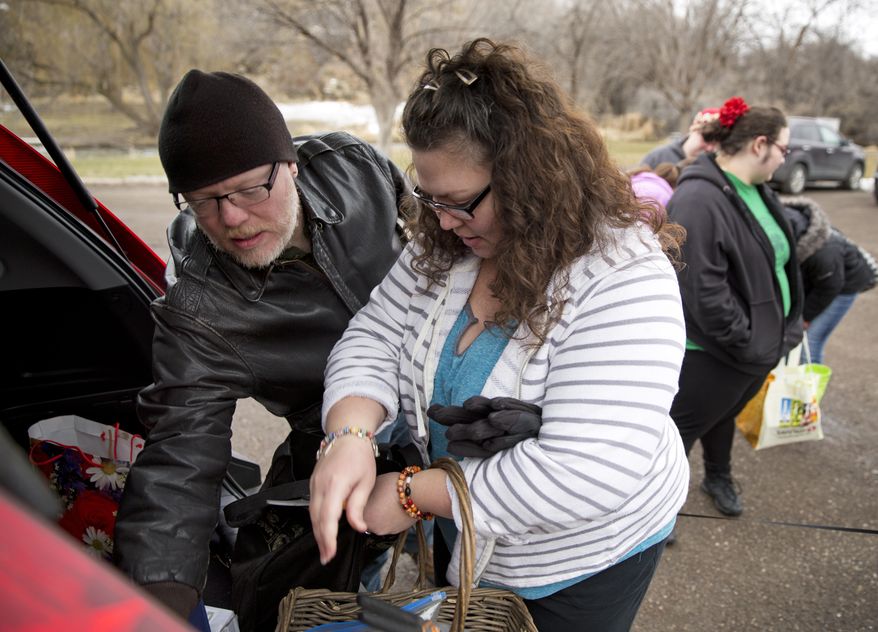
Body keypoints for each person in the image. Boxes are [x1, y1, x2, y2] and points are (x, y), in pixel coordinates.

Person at [309, 39, 689, 632]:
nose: (440, 221)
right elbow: (376, 333)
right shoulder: (450, 243)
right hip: (466, 531)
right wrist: (351, 433)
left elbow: (582, 472)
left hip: (579, 558)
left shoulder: (626, 278)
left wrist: (415, 494)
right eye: (429, 199)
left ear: (530, 178)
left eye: (460, 203)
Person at [113, 70, 407, 628]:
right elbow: (179, 458)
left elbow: (441, 240)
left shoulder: (356, 169)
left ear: (289, 163)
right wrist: (156, 608)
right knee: (337, 595)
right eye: (203, 201)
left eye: (252, 189)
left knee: (476, 569)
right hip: (335, 452)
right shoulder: (198, 308)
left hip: (454, 407)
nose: (232, 218)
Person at [667, 96, 803, 519]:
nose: (785, 159)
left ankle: (718, 476)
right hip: (716, 352)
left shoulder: (757, 191)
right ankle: (658, 510)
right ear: (759, 144)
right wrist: (748, 341)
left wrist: (780, 332)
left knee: (722, 416)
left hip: (756, 347)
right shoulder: (698, 200)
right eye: (784, 149)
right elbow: (703, 292)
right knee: (680, 431)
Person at [781, 195, 876, 363]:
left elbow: (829, 288)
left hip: (842, 285)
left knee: (811, 340)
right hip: (819, 276)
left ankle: (810, 386)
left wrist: (806, 317)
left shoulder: (824, 253)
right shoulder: (785, 222)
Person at [640, 107, 719, 168]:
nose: (710, 148)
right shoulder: (658, 157)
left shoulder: (718, 166)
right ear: (693, 130)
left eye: (716, 143)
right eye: (707, 138)